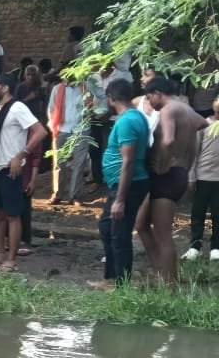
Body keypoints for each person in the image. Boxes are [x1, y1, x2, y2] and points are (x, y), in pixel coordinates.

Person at [138, 77, 208, 284]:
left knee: (163, 235)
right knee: (141, 224)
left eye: (149, 98)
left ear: (157, 93)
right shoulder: (187, 110)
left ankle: (170, 286)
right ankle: (159, 270)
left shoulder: (168, 110)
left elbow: (167, 140)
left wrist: (164, 163)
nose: (149, 103)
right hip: (179, 173)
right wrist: (187, 162)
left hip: (167, 175)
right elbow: (202, 124)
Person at [89, 79, 151, 289]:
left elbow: (129, 160)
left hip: (129, 185)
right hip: (122, 184)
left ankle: (121, 285)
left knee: (120, 234)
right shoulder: (134, 117)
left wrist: (121, 200)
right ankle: (110, 278)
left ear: (111, 98)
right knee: (107, 227)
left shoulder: (127, 121)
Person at [0, 75, 46, 271]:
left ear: (6, 88)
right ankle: (0, 252)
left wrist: (22, 155)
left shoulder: (18, 107)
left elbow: (40, 131)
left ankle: (12, 258)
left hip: (10, 168)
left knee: (13, 214)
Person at [46, 66, 93, 205]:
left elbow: (93, 105)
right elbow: (51, 109)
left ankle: (75, 195)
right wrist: (54, 127)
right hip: (62, 129)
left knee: (79, 163)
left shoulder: (86, 87)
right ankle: (57, 194)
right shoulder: (57, 89)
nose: (68, 76)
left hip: (81, 129)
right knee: (59, 163)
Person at [184, 114, 219, 261]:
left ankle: (216, 247)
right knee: (198, 213)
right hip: (202, 177)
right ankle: (195, 245)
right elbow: (194, 152)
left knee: (218, 214)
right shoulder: (204, 125)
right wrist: (191, 176)